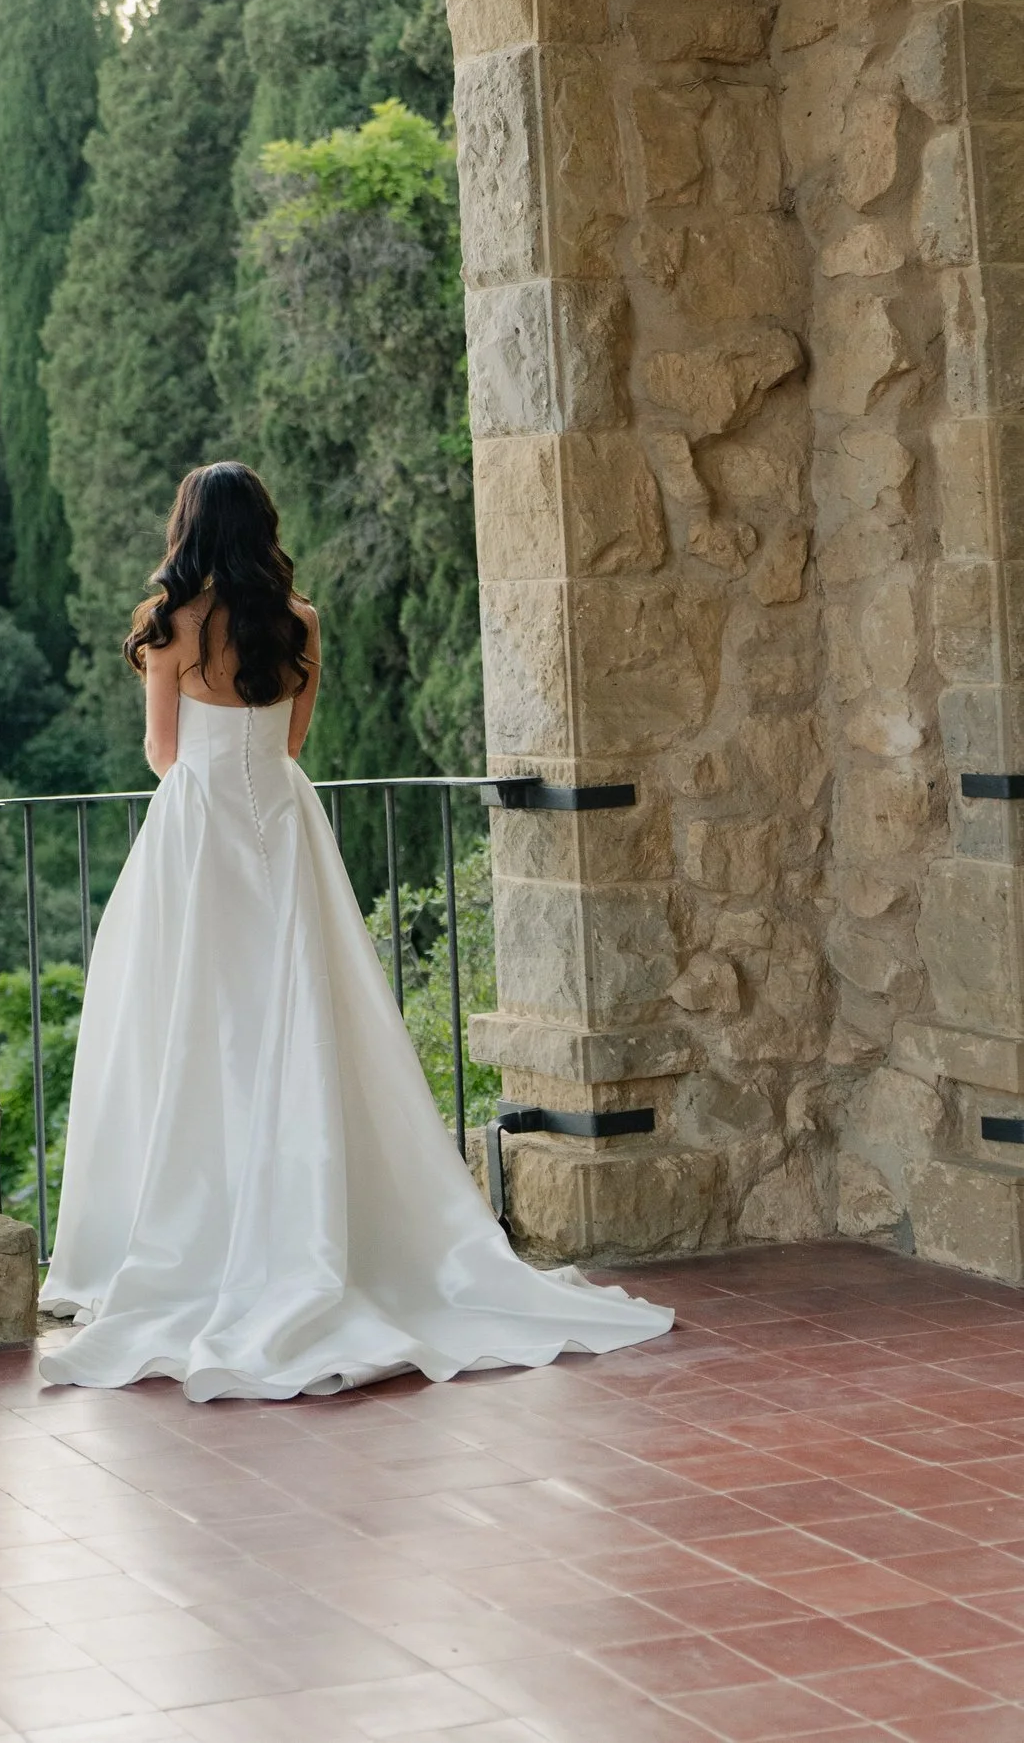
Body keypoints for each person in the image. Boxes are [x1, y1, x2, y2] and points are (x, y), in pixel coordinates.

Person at [41, 459, 671, 1398]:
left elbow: (161, 754)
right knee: (302, 1024)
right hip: (283, 832)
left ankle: (184, 1237)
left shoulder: (168, 625)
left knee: (184, 1030)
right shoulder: (300, 622)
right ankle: (322, 1223)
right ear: (262, 526)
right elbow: (292, 747)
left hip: (197, 833)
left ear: (188, 528)